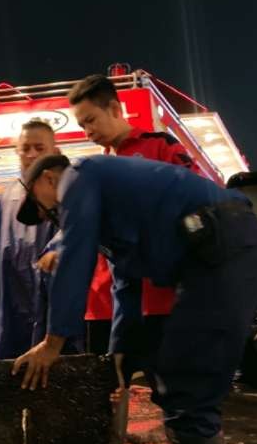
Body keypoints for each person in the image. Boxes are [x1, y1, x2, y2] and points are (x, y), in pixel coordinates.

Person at [11, 154, 257, 444]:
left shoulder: (78, 177)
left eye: (40, 208)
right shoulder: (110, 207)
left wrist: (52, 342)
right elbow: (125, 282)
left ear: (48, 179)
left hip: (224, 243)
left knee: (188, 376)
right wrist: (121, 352)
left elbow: (76, 258)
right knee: (173, 372)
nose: (46, 217)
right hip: (215, 252)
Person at [46, 74, 203, 354]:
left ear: (115, 110)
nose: (87, 131)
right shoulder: (97, 169)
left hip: (165, 298)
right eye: (82, 125)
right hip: (116, 303)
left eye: (91, 120)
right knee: (117, 382)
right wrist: (58, 247)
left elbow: (198, 202)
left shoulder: (160, 146)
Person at [0, 119, 61, 361]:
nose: (31, 155)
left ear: (55, 152)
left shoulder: (67, 193)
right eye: (25, 148)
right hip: (10, 314)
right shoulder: (7, 198)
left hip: (51, 311)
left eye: (40, 148)